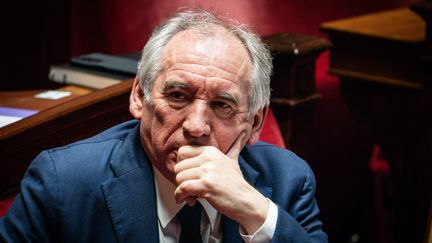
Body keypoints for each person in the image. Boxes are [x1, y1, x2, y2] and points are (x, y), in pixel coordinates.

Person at [0, 9, 327, 243]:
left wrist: (254, 211)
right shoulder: (63, 183)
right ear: (140, 97)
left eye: (222, 105)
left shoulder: (288, 180)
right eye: (178, 96)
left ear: (254, 122)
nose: (197, 127)